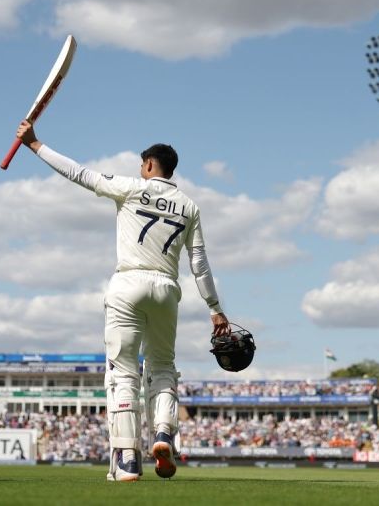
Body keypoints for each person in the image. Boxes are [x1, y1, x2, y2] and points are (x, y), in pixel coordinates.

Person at [16, 121, 230, 482]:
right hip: (166, 288)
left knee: (123, 371)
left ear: (148, 165)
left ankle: (128, 459)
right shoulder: (189, 206)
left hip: (128, 281)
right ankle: (163, 433)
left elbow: (80, 174)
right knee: (162, 366)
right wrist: (214, 308)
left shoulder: (132, 188)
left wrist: (35, 144)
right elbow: (199, 263)